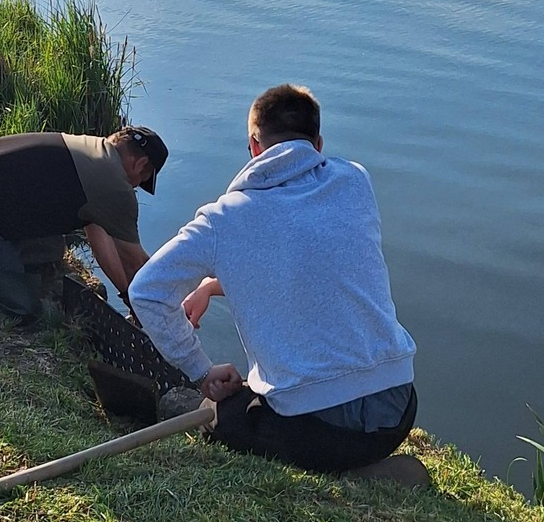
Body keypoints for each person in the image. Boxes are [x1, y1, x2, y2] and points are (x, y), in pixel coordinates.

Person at [129, 84, 429, 487]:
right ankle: (372, 465)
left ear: (253, 146)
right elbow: (299, 259)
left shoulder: (224, 219)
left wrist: (201, 370)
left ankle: (359, 478)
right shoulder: (356, 181)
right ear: (318, 144)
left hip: (319, 429)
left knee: (220, 416)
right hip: (398, 410)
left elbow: (146, 291)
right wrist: (208, 287)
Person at [0, 126, 169, 316]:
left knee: (50, 251)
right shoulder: (115, 186)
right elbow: (135, 262)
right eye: (141, 182)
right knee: (21, 305)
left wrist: (126, 293)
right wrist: (159, 309)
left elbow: (98, 237)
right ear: (140, 164)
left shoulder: (90, 150)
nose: (135, 187)